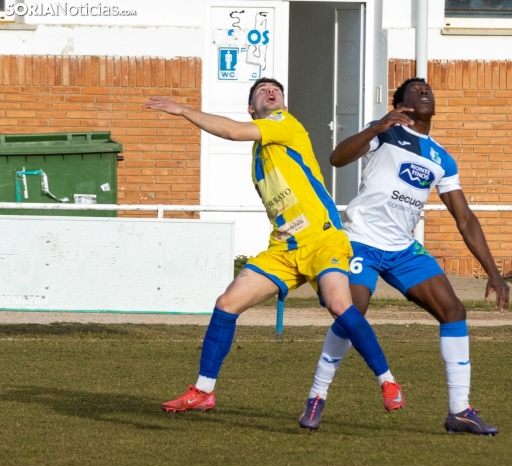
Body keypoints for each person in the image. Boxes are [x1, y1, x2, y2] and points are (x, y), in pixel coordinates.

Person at [145, 78, 404, 422]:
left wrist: (181, 109)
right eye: (261, 90)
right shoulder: (259, 155)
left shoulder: (284, 123)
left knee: (339, 305)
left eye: (276, 89)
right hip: (284, 246)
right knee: (226, 304)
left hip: (321, 238)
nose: (271, 91)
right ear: (251, 108)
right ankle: (204, 391)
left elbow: (232, 131)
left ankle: (387, 381)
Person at [301, 78, 510, 435]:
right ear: (401, 103)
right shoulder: (385, 132)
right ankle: (317, 396)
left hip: (402, 248)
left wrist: (493, 271)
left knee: (453, 310)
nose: (424, 90)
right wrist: (376, 127)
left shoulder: (441, 158)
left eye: (427, 88)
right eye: (415, 89)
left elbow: (465, 218)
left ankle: (460, 411)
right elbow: (337, 158)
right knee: (353, 310)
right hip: (361, 241)